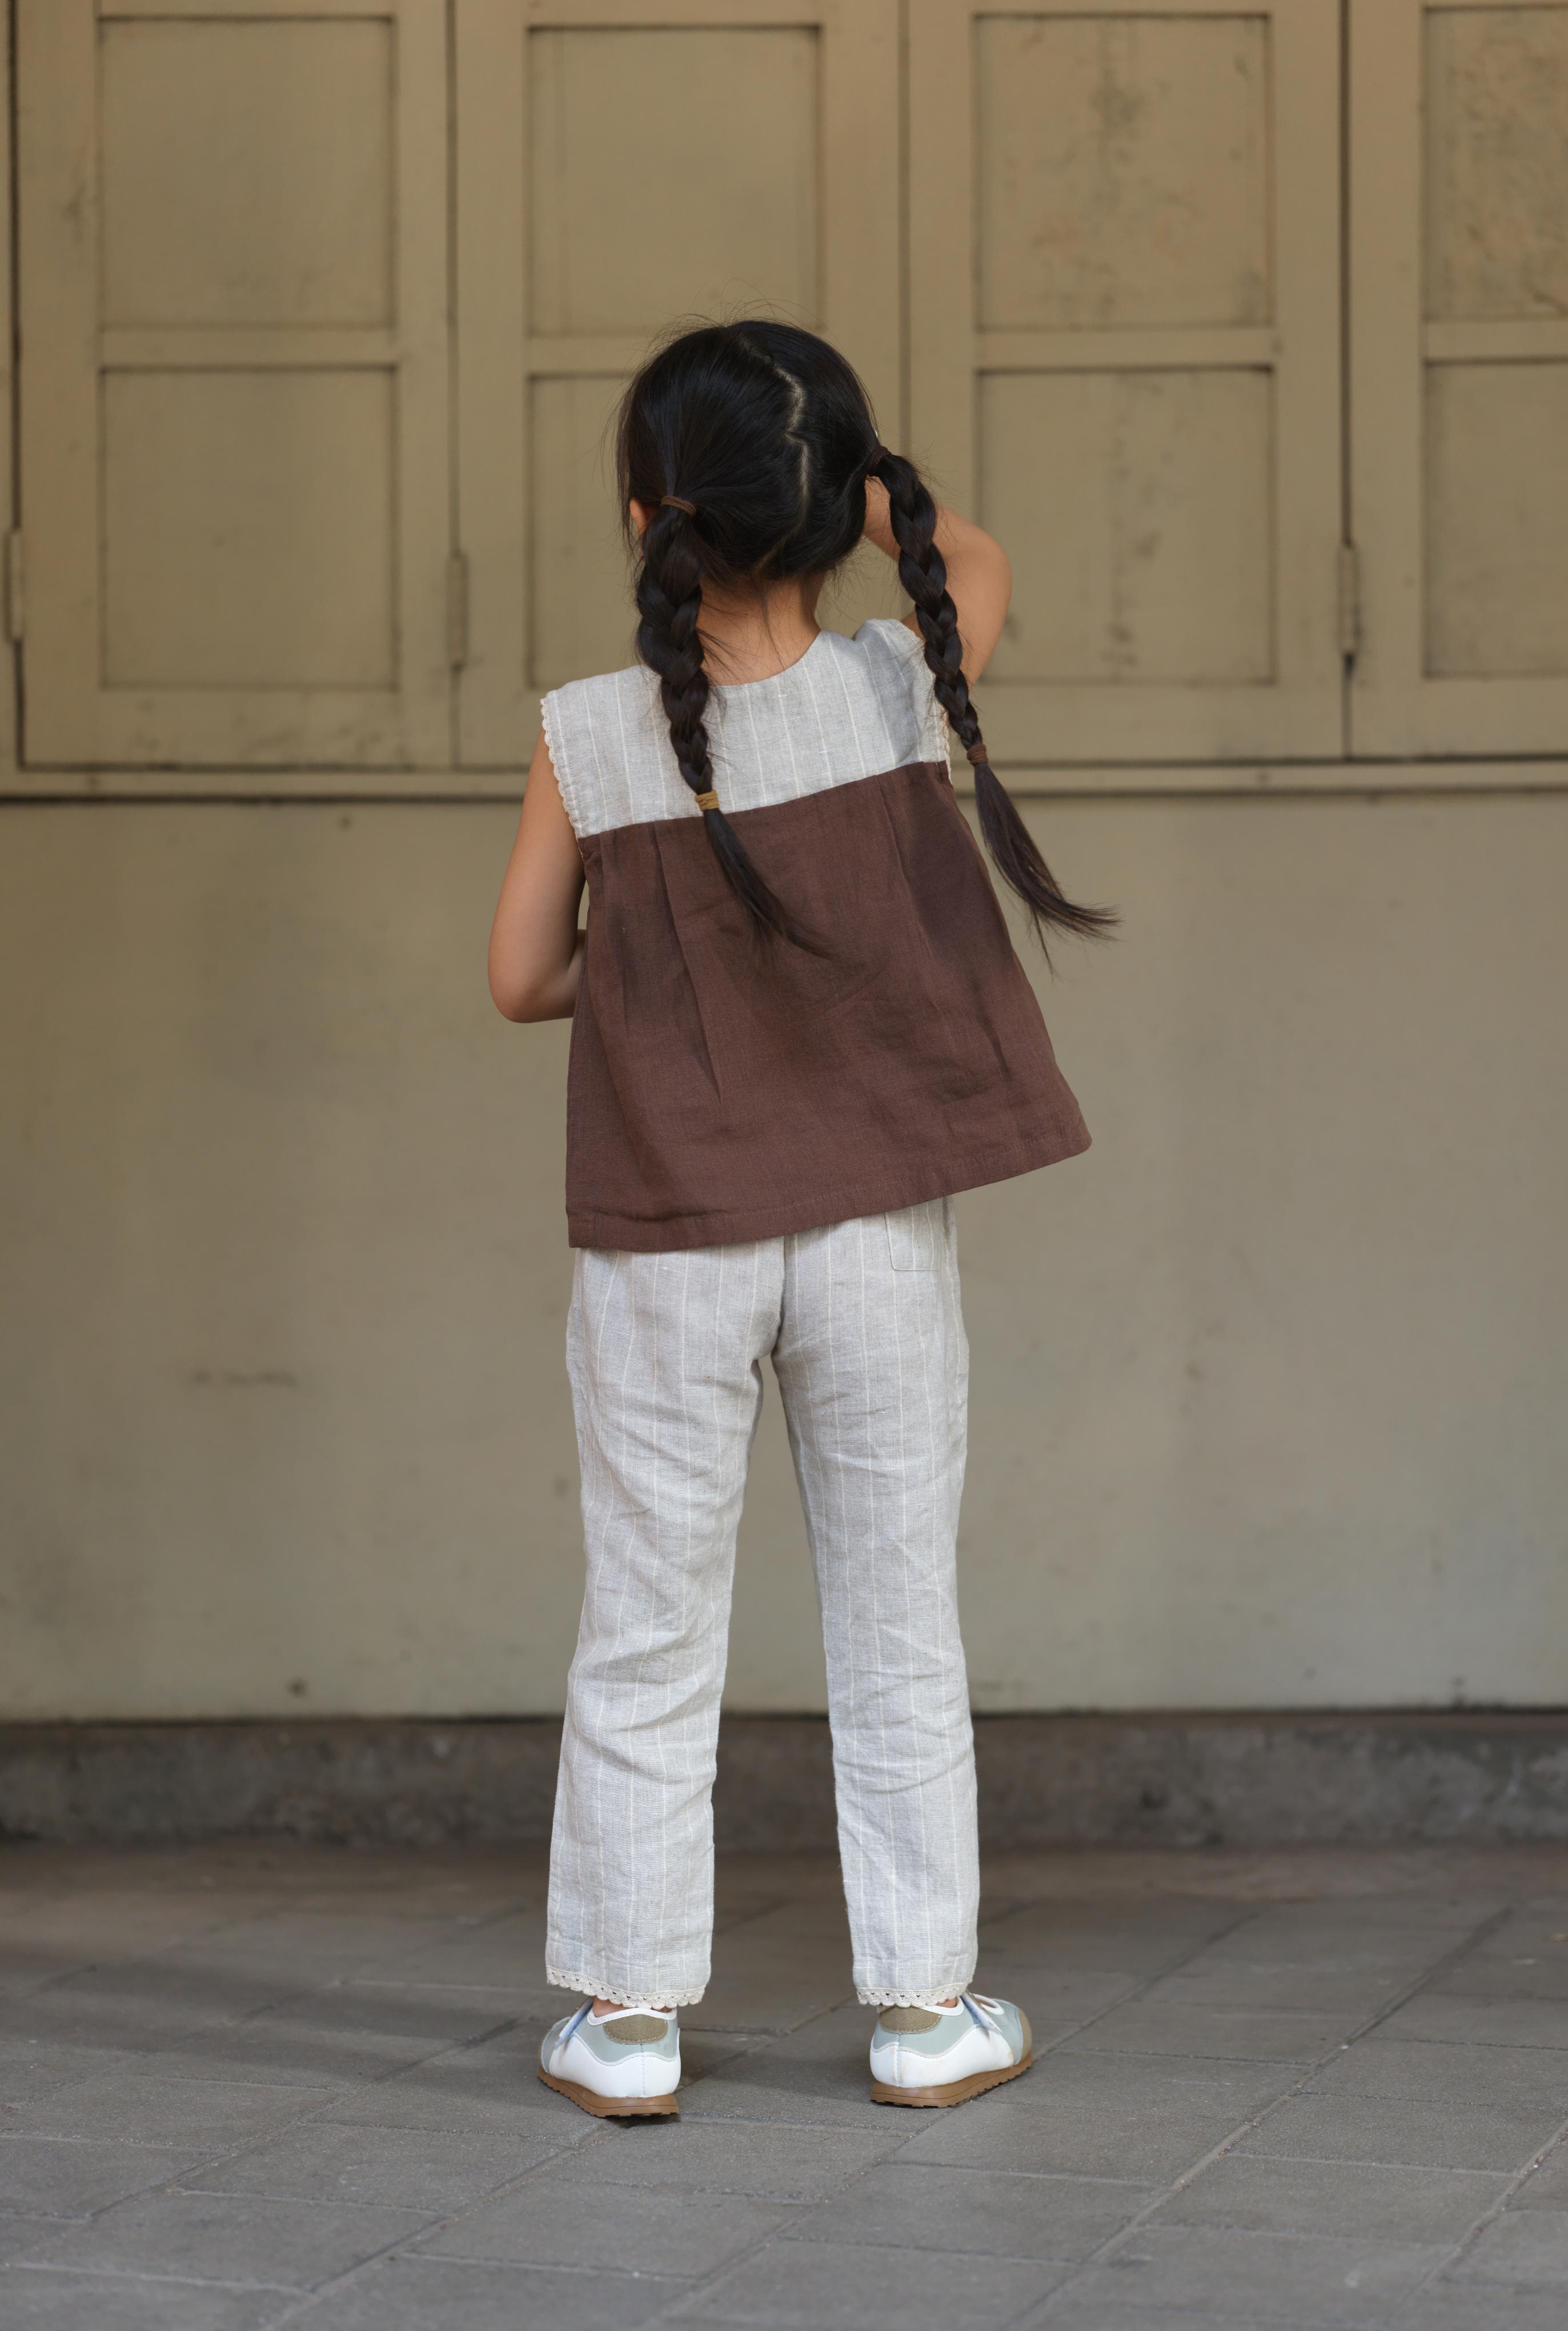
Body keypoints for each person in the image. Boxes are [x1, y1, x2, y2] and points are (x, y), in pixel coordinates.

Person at [487, 320, 1111, 2120]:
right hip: (872, 1240)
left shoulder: (588, 735)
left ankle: (626, 2022)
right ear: (840, 513)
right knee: (899, 1613)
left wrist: (648, 968)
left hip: (665, 1241)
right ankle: (926, 2011)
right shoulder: (898, 685)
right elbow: (974, 557)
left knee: (647, 1620)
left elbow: (520, 977)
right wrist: (880, 491)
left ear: (645, 518)